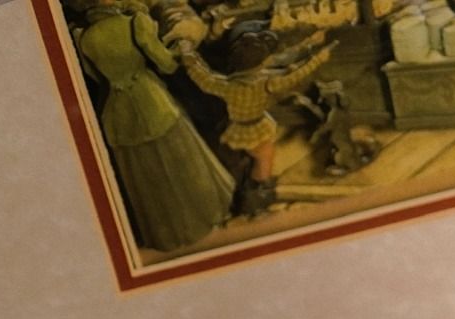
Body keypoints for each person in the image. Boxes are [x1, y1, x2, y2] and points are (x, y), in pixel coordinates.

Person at [71, 0, 234, 252]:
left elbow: (95, 77)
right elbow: (166, 64)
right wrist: (178, 47)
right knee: (181, 162)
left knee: (147, 178)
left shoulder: (82, 36)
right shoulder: (135, 22)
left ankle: (167, 237)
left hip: (116, 111)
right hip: (151, 100)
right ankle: (204, 220)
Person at [175, 25, 335, 213]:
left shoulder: (227, 85)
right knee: (264, 160)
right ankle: (256, 197)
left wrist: (189, 56)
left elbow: (202, 77)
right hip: (256, 130)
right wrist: (318, 60)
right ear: (258, 64)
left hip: (235, 129)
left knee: (245, 163)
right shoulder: (265, 84)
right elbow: (295, 75)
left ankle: (248, 192)